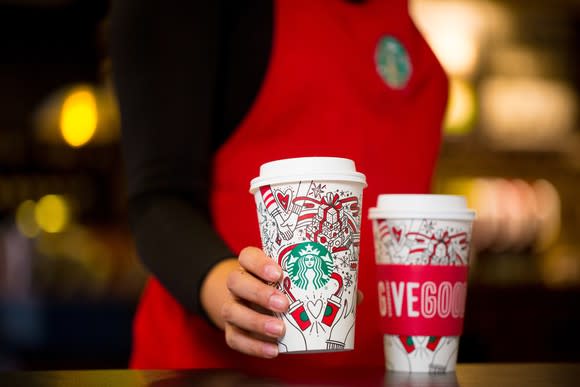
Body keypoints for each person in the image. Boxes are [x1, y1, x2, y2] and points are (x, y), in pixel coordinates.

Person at [110, 0, 447, 372]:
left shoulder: (397, 11)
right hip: (217, 374)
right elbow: (159, 200)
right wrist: (236, 298)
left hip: (380, 372)